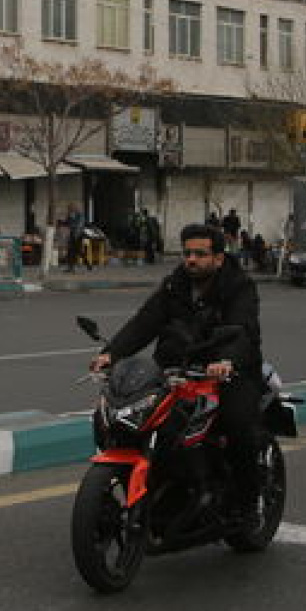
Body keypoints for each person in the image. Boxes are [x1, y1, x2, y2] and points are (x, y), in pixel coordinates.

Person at [90, 222, 265, 524]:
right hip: (175, 370)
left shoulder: (239, 286)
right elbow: (145, 322)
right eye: (187, 253)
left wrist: (226, 360)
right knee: (125, 416)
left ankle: (248, 504)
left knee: (237, 424)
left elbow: (242, 329)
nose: (191, 260)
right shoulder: (175, 286)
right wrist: (112, 354)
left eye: (200, 254)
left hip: (229, 372)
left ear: (218, 258)